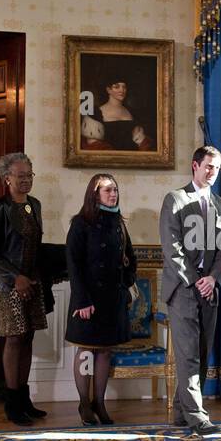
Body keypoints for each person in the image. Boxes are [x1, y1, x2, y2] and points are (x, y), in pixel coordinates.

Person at [158, 146, 221, 434]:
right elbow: (171, 247)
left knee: (201, 352)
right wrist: (194, 279)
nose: (212, 172)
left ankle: (180, 412)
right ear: (195, 166)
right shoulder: (174, 199)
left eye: (216, 168)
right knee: (188, 354)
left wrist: (212, 279)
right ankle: (198, 416)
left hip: (209, 288)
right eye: (208, 166)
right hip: (182, 288)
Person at [0, 153, 50, 426]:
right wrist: (14, 276)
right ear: (7, 178)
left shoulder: (35, 205)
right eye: (20, 176)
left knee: (29, 336)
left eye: (29, 175)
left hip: (32, 281)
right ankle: (11, 402)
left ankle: (24, 398)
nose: (26, 180)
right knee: (15, 338)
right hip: (6, 283)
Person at [66, 174, 137, 426]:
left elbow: (130, 259)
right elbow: (73, 265)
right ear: (94, 194)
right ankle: (84, 403)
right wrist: (82, 301)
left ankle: (100, 403)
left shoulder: (119, 223)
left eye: (115, 189)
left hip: (113, 300)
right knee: (86, 351)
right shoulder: (80, 223)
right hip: (87, 300)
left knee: (105, 352)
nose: (113, 194)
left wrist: (125, 284)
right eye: (107, 190)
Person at [97, 79, 134, 150]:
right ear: (108, 90)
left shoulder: (130, 110)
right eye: (117, 87)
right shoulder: (99, 112)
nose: (122, 90)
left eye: (124, 87)